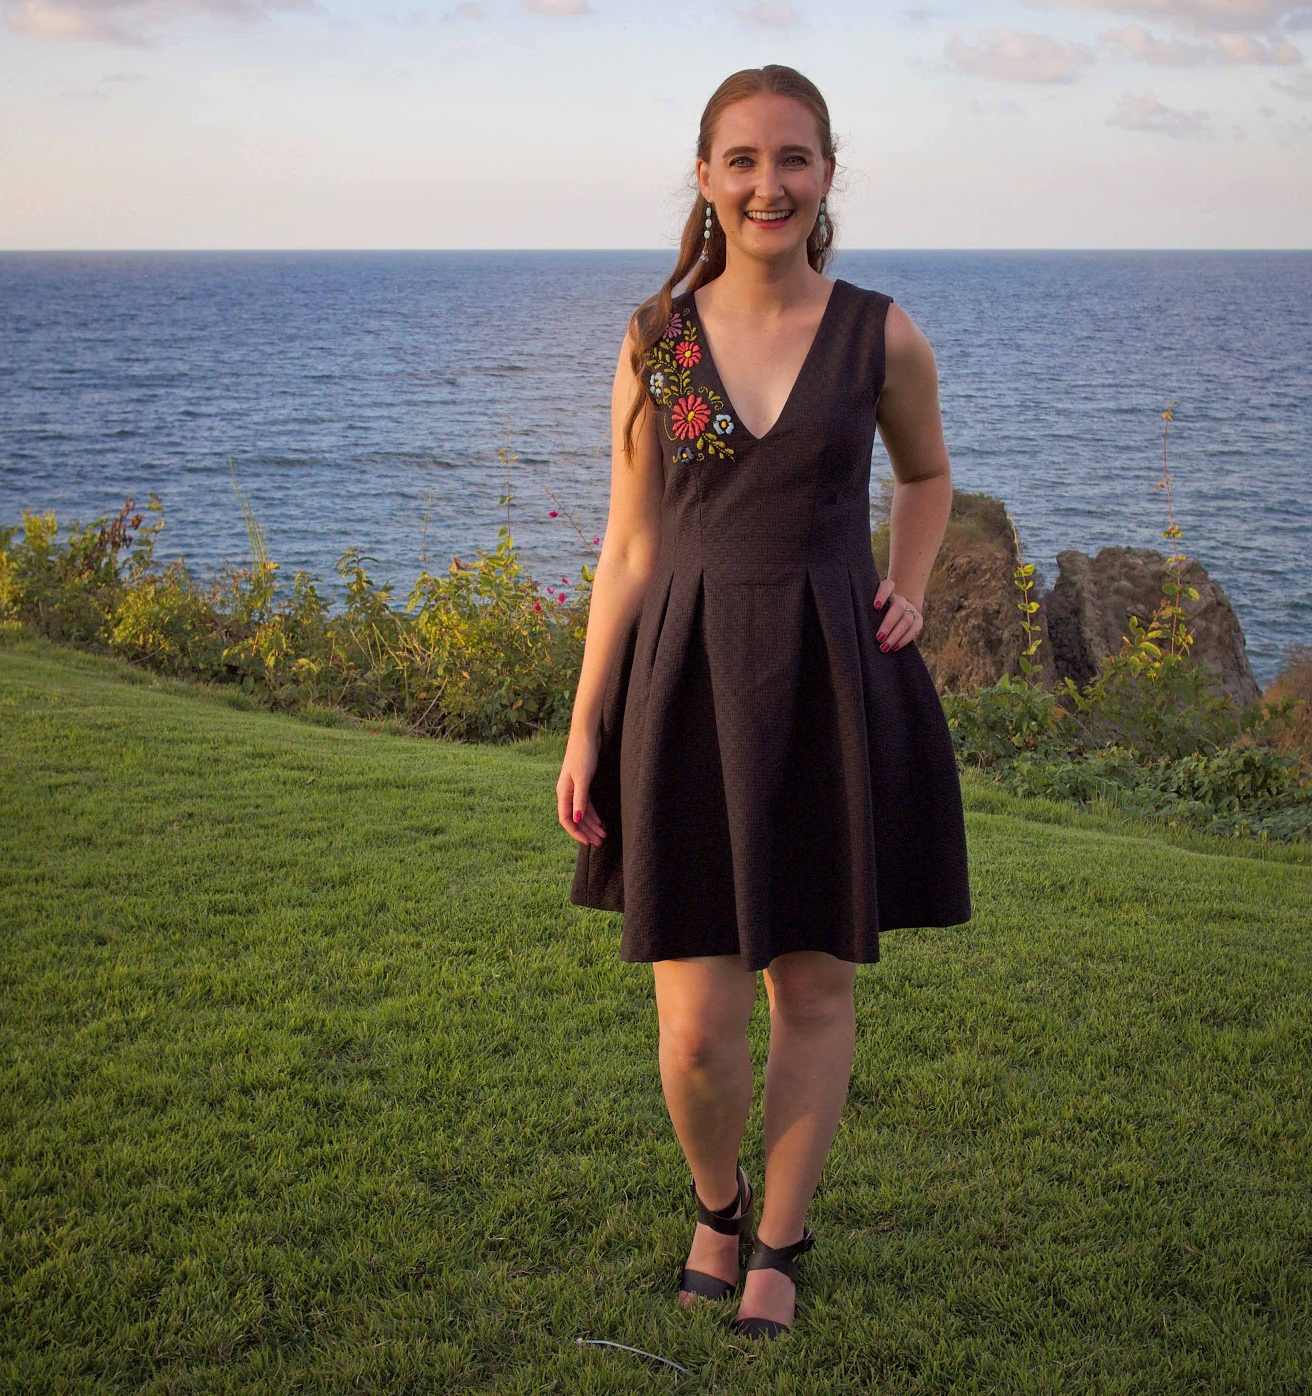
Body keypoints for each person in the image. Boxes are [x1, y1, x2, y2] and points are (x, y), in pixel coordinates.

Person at [558, 63, 971, 1341]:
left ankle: (782, 1237)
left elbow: (929, 475)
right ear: (704, 177)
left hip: (827, 683)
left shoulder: (876, 334)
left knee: (814, 988)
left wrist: (903, 587)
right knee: (692, 1031)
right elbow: (630, 546)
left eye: (792, 158)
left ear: (828, 174)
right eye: (741, 160)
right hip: (682, 690)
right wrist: (585, 719)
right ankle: (718, 1200)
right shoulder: (659, 342)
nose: (767, 184)